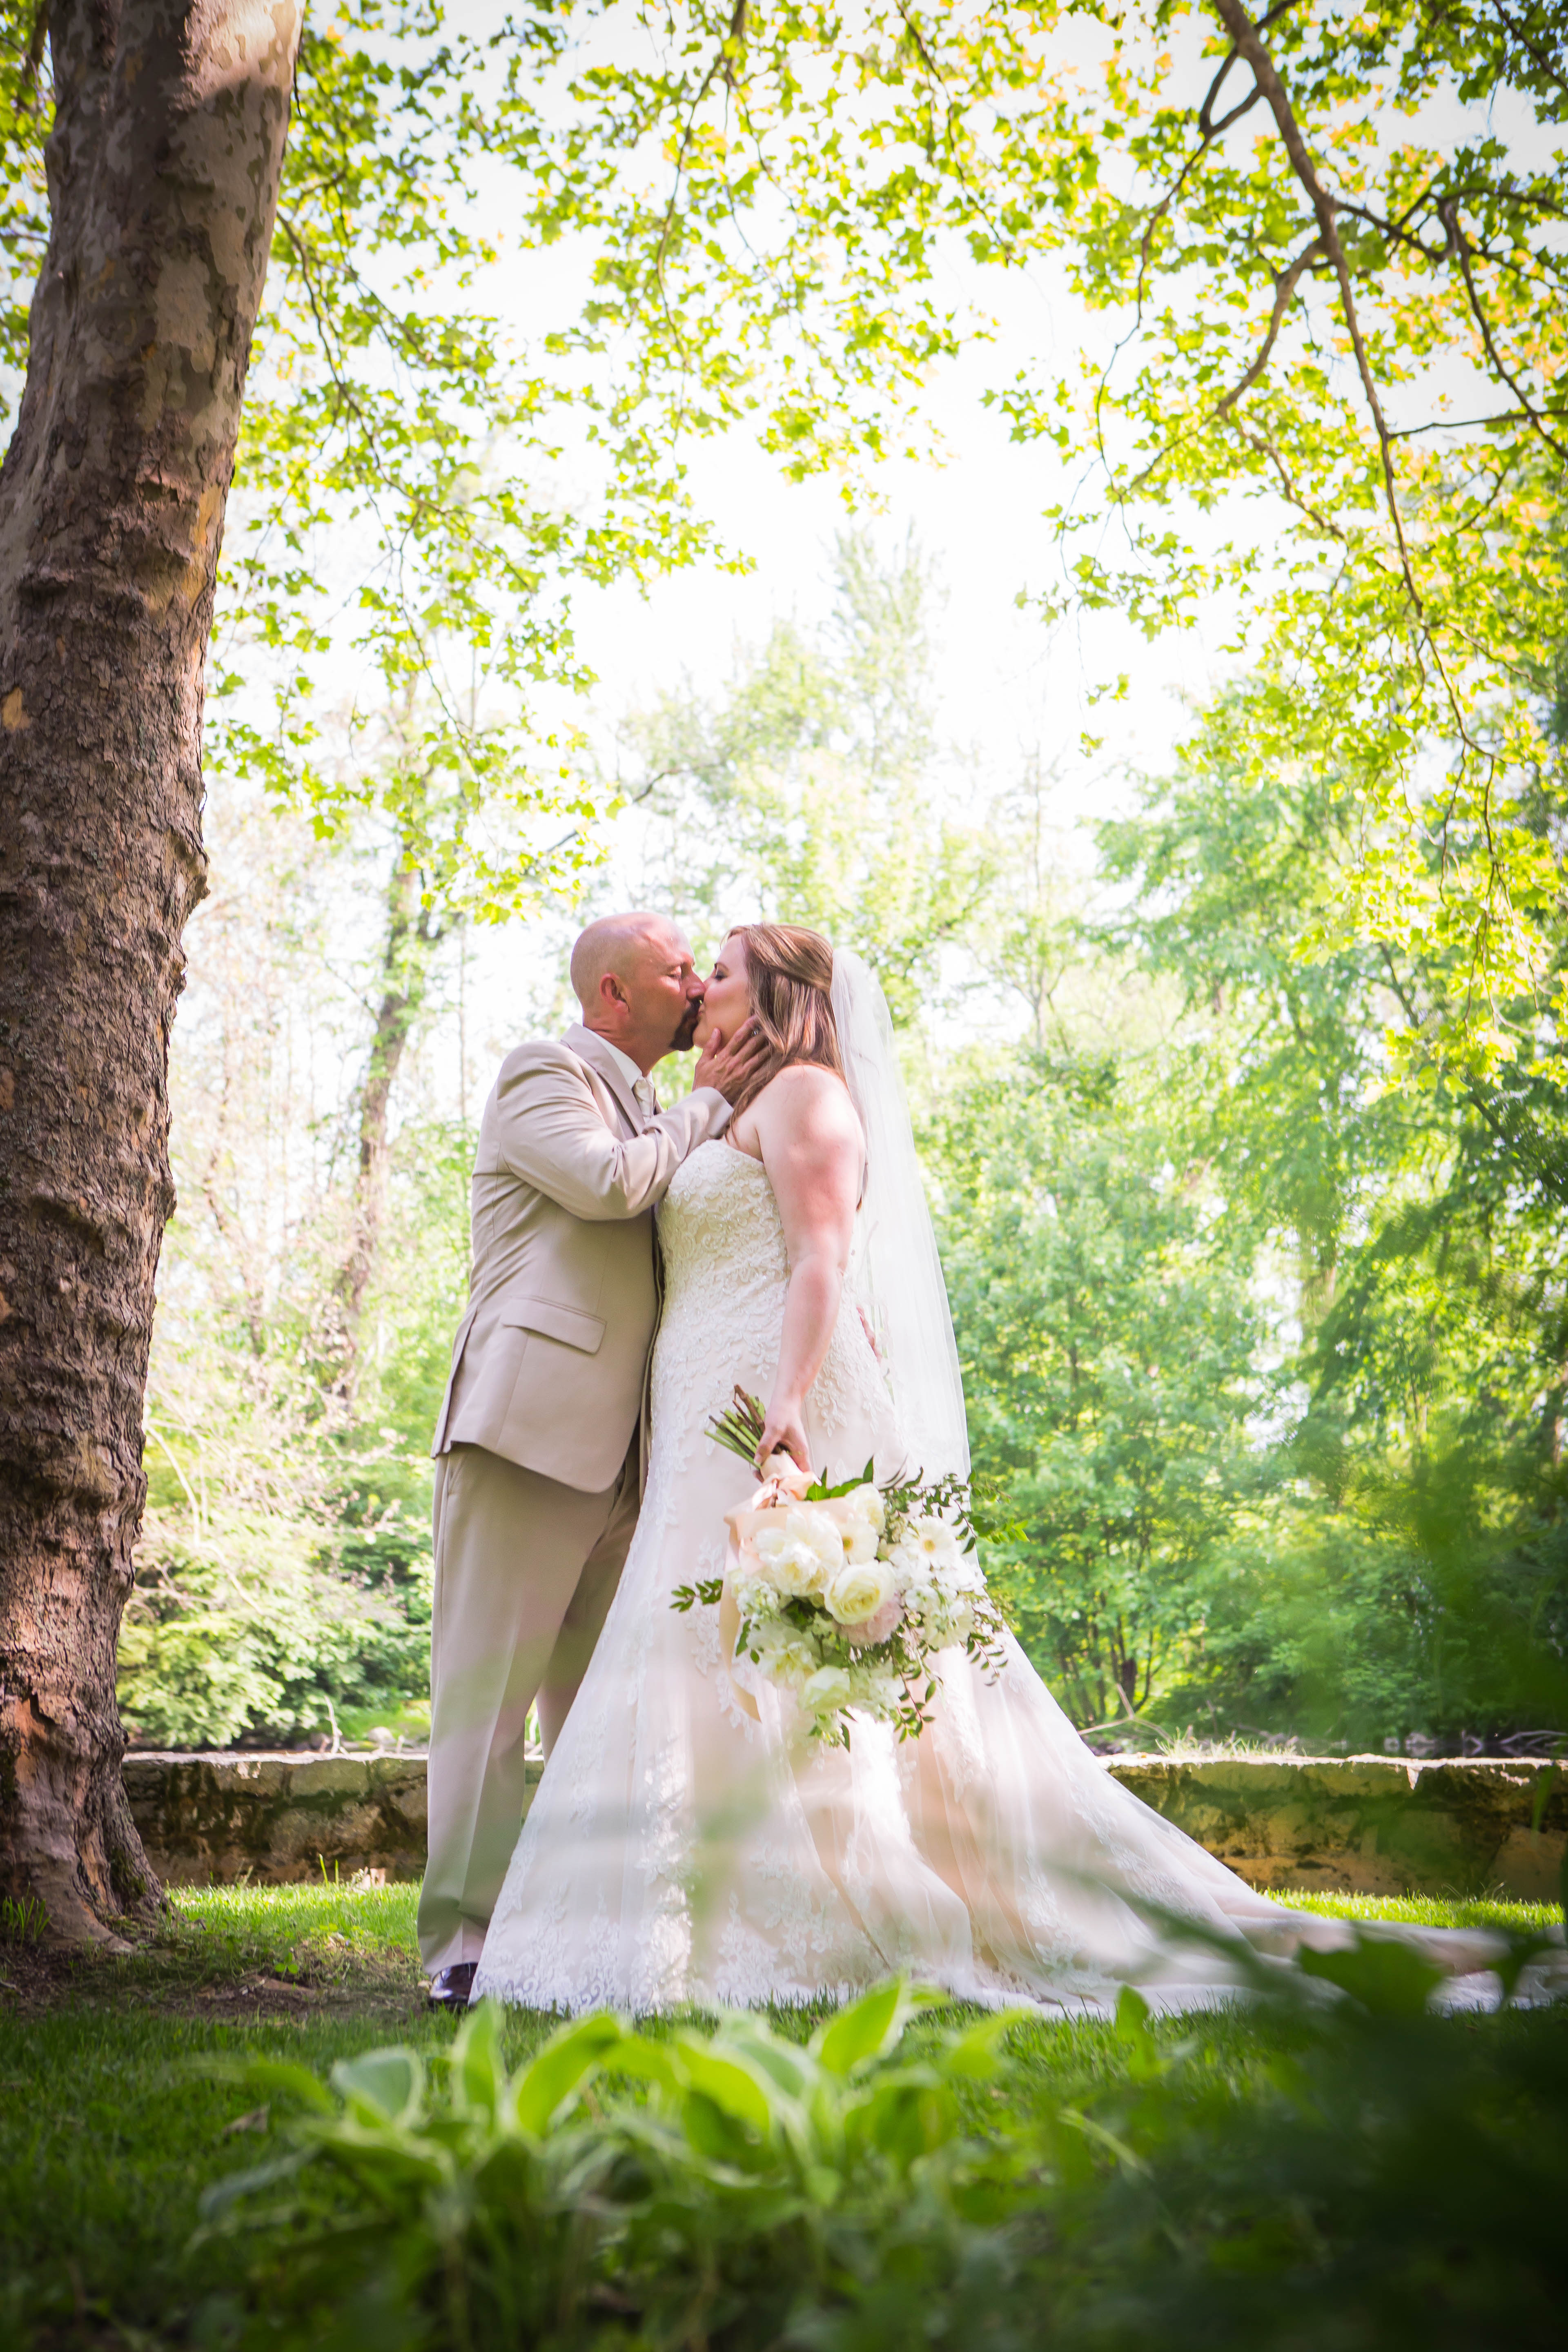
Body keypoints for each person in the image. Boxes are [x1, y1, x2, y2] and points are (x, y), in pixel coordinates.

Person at [472, 925, 1521, 2016]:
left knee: (805, 1647)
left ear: (777, 998)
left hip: (775, 1401)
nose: (702, 990)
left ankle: (849, 1901)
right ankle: (700, 1907)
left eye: (722, 972)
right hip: (697, 1400)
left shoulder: (810, 1098)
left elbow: (823, 1260)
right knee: (707, 1640)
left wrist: (787, 1403)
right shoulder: (719, 1107)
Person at [418, 913, 764, 2008]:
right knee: (487, 1706)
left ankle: (564, 1938)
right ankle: (461, 1948)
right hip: (526, 1431)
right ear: (615, 993)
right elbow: (609, 1185)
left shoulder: (662, 1108)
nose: (699, 985)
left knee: (594, 1714)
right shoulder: (546, 1072)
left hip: (634, 1459)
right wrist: (711, 1105)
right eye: (679, 969)